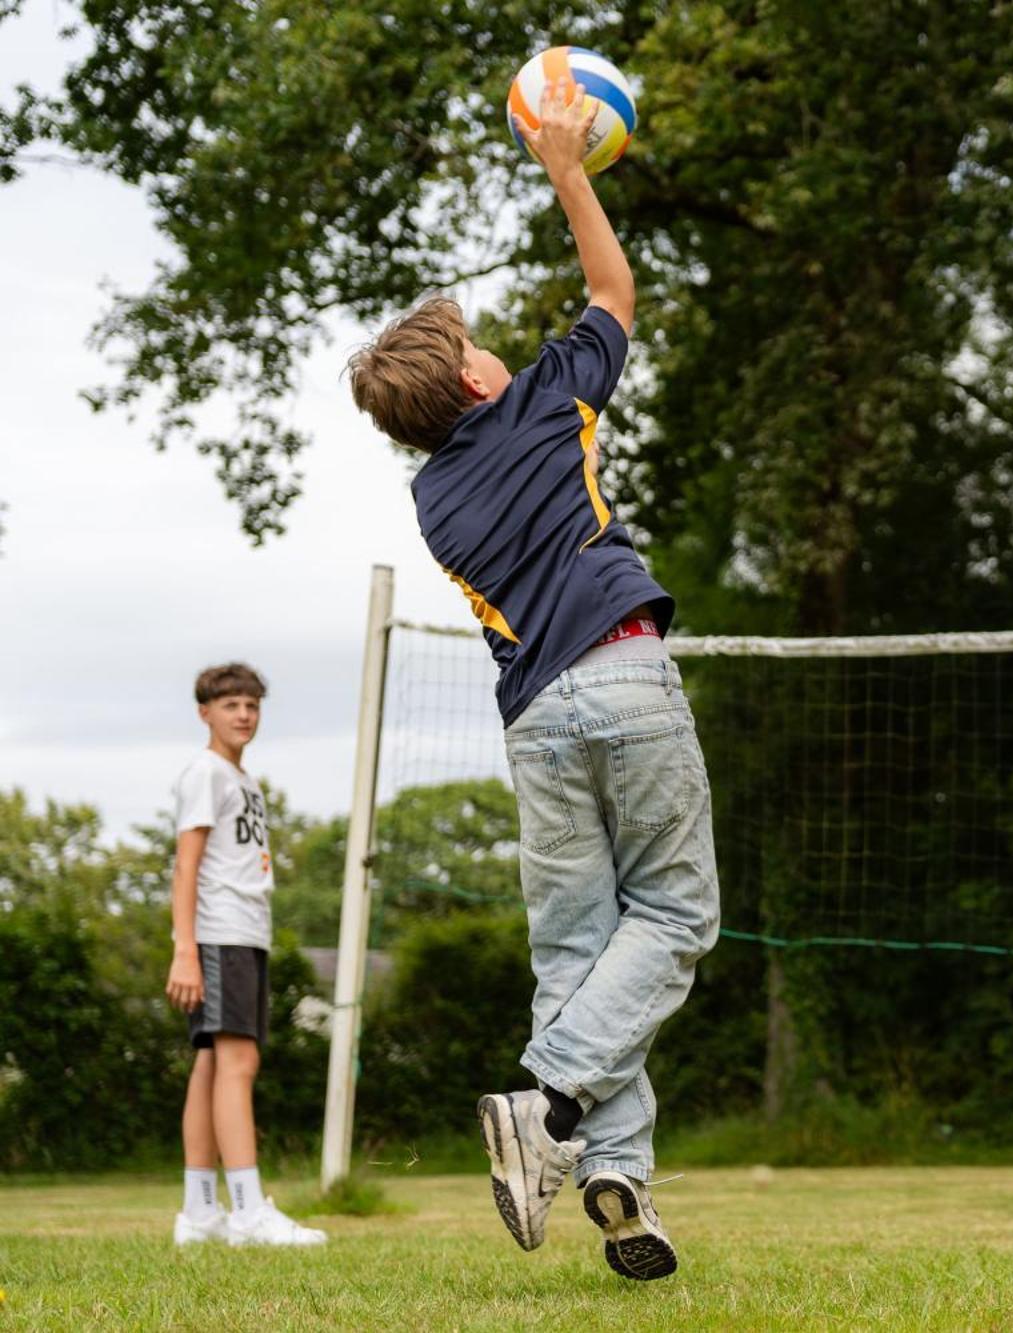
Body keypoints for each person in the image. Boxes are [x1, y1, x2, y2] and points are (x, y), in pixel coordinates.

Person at [346, 78, 719, 1281]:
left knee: (578, 955)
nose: (495, 346)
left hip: (533, 722)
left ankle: (617, 1183)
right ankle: (549, 1103)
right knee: (673, 919)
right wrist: (569, 166)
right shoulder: (543, 402)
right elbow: (613, 292)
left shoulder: (432, 494)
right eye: (476, 343)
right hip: (619, 675)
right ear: (473, 382)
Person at [167, 663, 327, 1248]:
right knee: (238, 1065)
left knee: (212, 1064)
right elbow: (186, 865)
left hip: (245, 934)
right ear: (204, 711)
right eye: (230, 704)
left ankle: (200, 1212)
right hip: (218, 935)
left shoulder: (244, 780)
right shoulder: (205, 773)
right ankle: (248, 1211)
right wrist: (185, 948)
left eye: (251, 705)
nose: (243, 715)